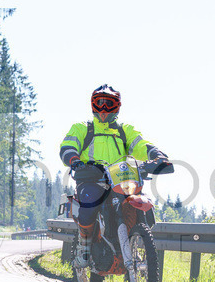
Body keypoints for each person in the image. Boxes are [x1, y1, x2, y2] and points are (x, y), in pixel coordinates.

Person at [59, 84, 167, 268]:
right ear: (93, 105)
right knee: (90, 203)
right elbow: (68, 146)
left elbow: (141, 144)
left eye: (108, 104)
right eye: (99, 103)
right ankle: (84, 249)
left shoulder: (124, 131)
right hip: (92, 179)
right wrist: (75, 160)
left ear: (116, 106)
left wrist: (157, 155)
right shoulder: (83, 128)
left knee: (142, 202)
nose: (103, 108)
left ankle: (137, 239)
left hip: (121, 180)